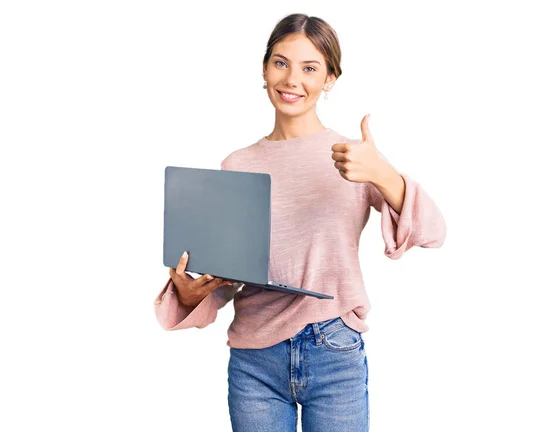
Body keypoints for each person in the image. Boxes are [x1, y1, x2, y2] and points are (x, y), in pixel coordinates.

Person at [154, 13, 446, 432]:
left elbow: (433, 232)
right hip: (255, 359)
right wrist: (187, 291)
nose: (292, 79)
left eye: (310, 68)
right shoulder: (237, 164)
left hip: (334, 349)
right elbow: (231, 274)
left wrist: (382, 173)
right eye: (281, 62)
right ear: (264, 68)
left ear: (330, 78)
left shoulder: (352, 156)